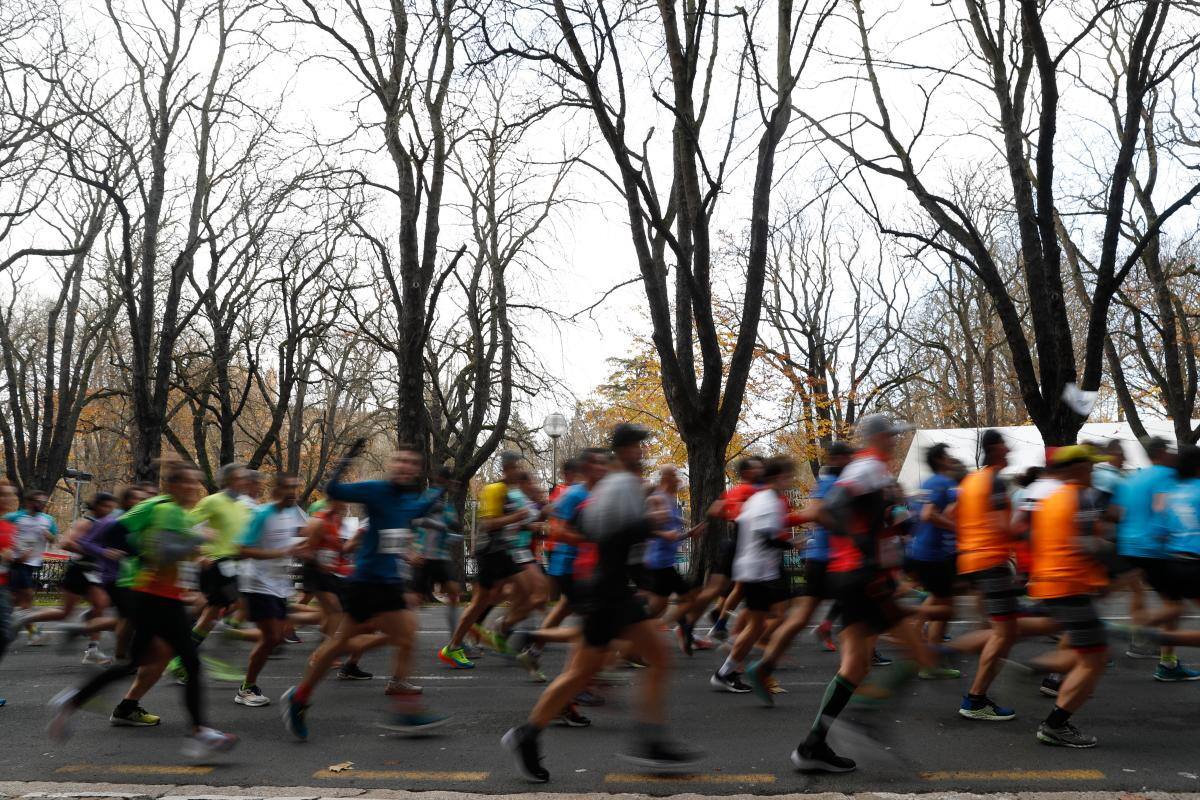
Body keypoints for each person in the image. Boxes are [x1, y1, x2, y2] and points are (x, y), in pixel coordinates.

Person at [502, 424, 704, 782]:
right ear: (625, 450)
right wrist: (647, 525)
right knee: (615, 666)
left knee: (601, 668)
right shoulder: (619, 487)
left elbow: (621, 543)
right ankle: (647, 742)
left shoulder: (620, 486)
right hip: (606, 593)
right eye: (638, 446)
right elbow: (604, 536)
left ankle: (529, 735)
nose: (642, 453)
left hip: (612, 591)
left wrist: (643, 550)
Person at [48, 462, 239, 759]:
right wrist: (197, 540)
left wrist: (193, 559)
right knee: (190, 662)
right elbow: (161, 552)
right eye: (188, 483)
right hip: (157, 597)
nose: (194, 488)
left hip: (155, 594)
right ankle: (200, 733)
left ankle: (72, 701)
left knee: (134, 663)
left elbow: (144, 544)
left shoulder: (171, 510)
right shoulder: (167, 510)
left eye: (197, 483)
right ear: (173, 485)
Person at [791, 413, 939, 774]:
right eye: (892, 436)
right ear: (878, 437)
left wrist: (900, 526)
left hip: (856, 575)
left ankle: (813, 745)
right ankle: (863, 722)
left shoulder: (879, 472)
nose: (896, 441)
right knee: (920, 653)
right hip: (863, 576)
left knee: (856, 664)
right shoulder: (866, 468)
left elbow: (884, 517)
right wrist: (863, 547)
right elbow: (832, 508)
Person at [282, 443, 449, 739]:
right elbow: (334, 490)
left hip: (390, 583)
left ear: (416, 471)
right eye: (400, 460)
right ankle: (300, 697)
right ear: (392, 464)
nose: (405, 466)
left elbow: (419, 508)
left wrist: (440, 487)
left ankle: (399, 700)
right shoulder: (375, 490)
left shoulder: (408, 499)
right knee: (345, 642)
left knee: (402, 635)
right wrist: (345, 458)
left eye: (411, 462)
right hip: (367, 582)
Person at [745, 442, 854, 705]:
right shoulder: (831, 483)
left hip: (827, 559)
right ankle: (852, 676)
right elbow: (816, 512)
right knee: (853, 615)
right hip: (829, 559)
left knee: (804, 617)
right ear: (839, 458)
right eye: (849, 457)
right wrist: (847, 532)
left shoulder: (836, 482)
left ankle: (764, 667)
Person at [1027, 445, 1112, 747]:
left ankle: (1046, 677)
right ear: (1078, 469)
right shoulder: (1082, 498)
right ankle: (1055, 724)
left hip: (1052, 583)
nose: (1093, 472)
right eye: (1090, 467)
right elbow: (1086, 544)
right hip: (1070, 585)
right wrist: (1105, 564)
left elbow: (1036, 539)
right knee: (1096, 658)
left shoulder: (1050, 500)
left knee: (1084, 652)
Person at [1110, 436, 1198, 680]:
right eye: (1170, 451)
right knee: (1175, 607)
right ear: (1160, 453)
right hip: (1154, 548)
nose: (1173, 456)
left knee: (1169, 603)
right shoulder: (1166, 477)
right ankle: (1140, 633)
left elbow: (1117, 512)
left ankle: (1165, 661)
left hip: (1129, 547)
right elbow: (1164, 509)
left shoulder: (1132, 478)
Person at [712, 456, 795, 693]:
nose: (790, 481)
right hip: (758, 572)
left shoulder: (757, 499)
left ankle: (728, 665)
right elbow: (765, 536)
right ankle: (728, 667)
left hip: (753, 569)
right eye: (788, 476)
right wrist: (793, 544)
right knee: (764, 623)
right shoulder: (768, 502)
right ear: (777, 477)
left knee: (761, 622)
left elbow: (740, 525)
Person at [955, 429, 1019, 721]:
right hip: (991, 562)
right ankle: (976, 699)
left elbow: (952, 513)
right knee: (1003, 633)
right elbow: (1000, 525)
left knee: (997, 629)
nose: (1010, 451)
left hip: (973, 562)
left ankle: (937, 653)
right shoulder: (993, 481)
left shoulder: (971, 480)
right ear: (994, 449)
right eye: (1005, 446)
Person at [167, 464, 251, 683]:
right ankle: (205, 658)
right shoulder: (213, 501)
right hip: (218, 564)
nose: (245, 482)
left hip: (233, 565)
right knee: (235, 607)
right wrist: (200, 552)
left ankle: (181, 658)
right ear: (229, 480)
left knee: (213, 614)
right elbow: (187, 524)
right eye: (241, 478)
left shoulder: (242, 506)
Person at [19, 492, 117, 664]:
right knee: (64, 613)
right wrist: (94, 551)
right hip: (77, 571)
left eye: (112, 506)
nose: (109, 510)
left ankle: (92, 649)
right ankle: (26, 617)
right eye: (106, 506)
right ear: (96, 506)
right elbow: (65, 543)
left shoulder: (105, 524)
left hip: (91, 572)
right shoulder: (87, 522)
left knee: (101, 604)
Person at [235, 474, 306, 707]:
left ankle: (247, 685)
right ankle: (246, 689)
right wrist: (276, 554)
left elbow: (291, 542)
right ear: (275, 491)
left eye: (295, 487)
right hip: (257, 583)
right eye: (287, 488)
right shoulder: (262, 514)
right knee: (273, 637)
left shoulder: (288, 514)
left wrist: (302, 549)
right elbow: (242, 549)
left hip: (278, 585)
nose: (292, 492)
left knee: (274, 638)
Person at [905, 444, 962, 678]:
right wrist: (956, 527)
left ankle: (918, 641)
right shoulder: (942, 482)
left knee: (938, 601)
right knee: (945, 609)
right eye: (948, 456)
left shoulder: (926, 484)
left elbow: (920, 513)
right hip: (934, 555)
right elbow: (929, 515)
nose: (951, 459)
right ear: (940, 459)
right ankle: (929, 662)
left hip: (921, 551)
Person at [639, 466, 705, 638]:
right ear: (665, 478)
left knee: (661, 607)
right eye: (674, 475)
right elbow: (645, 528)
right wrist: (664, 533)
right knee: (686, 599)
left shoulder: (670, 500)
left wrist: (690, 533)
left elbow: (672, 536)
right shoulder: (657, 499)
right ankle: (636, 638)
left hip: (664, 562)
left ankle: (636, 636)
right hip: (658, 561)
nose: (677, 478)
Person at [412, 467, 464, 647]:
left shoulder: (446, 502)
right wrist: (437, 525)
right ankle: (393, 629)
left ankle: (456, 642)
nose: (453, 485)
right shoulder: (428, 496)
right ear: (443, 480)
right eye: (450, 482)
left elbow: (452, 523)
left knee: (453, 592)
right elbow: (415, 520)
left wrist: (451, 530)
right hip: (423, 555)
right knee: (414, 600)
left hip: (440, 556)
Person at [5, 489, 58, 645]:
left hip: (36, 563)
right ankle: (33, 633)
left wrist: (49, 536)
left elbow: (54, 539)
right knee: (26, 597)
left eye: (44, 501)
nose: (41, 504)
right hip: (18, 563)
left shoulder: (48, 519)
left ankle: (28, 630)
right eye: (38, 501)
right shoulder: (14, 517)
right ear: (29, 502)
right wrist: (15, 552)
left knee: (17, 600)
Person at [0, 478, 19, 708]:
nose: (8, 498)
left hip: (3, 586)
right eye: (3, 494)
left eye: (10, 494)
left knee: (4, 635)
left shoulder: (8, 525)